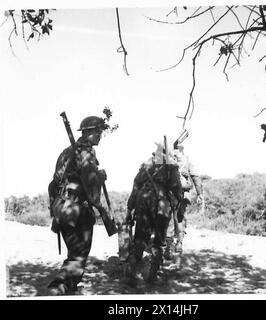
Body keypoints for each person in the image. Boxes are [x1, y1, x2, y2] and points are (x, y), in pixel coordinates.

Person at [47, 115, 110, 295]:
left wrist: (56, 210)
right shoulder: (85, 151)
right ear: (88, 132)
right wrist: (101, 176)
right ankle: (57, 289)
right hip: (77, 208)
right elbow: (91, 186)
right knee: (78, 257)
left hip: (63, 208)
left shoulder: (66, 152)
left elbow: (53, 185)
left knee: (73, 254)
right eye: (98, 131)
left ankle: (69, 289)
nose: (100, 135)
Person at [124, 141, 183, 286]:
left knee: (140, 237)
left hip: (142, 199)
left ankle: (131, 270)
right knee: (159, 239)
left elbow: (136, 184)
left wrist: (130, 206)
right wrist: (179, 200)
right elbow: (176, 187)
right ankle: (153, 275)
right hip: (161, 203)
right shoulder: (171, 165)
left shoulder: (146, 164)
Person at [164, 143, 204, 261]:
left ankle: (169, 246)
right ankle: (179, 243)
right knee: (180, 217)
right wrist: (199, 194)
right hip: (184, 194)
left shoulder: (167, 159)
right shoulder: (187, 160)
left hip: (169, 193)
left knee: (169, 219)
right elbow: (196, 177)